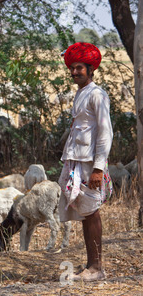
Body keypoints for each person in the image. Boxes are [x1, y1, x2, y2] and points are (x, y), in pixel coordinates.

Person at [58, 42, 113, 282]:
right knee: (83, 211)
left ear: (91, 69)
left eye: (79, 67)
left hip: (91, 164)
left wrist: (99, 169)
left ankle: (96, 268)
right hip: (76, 161)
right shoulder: (82, 93)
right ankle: (91, 264)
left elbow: (105, 133)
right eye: (71, 68)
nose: (74, 72)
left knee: (91, 212)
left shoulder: (97, 95)